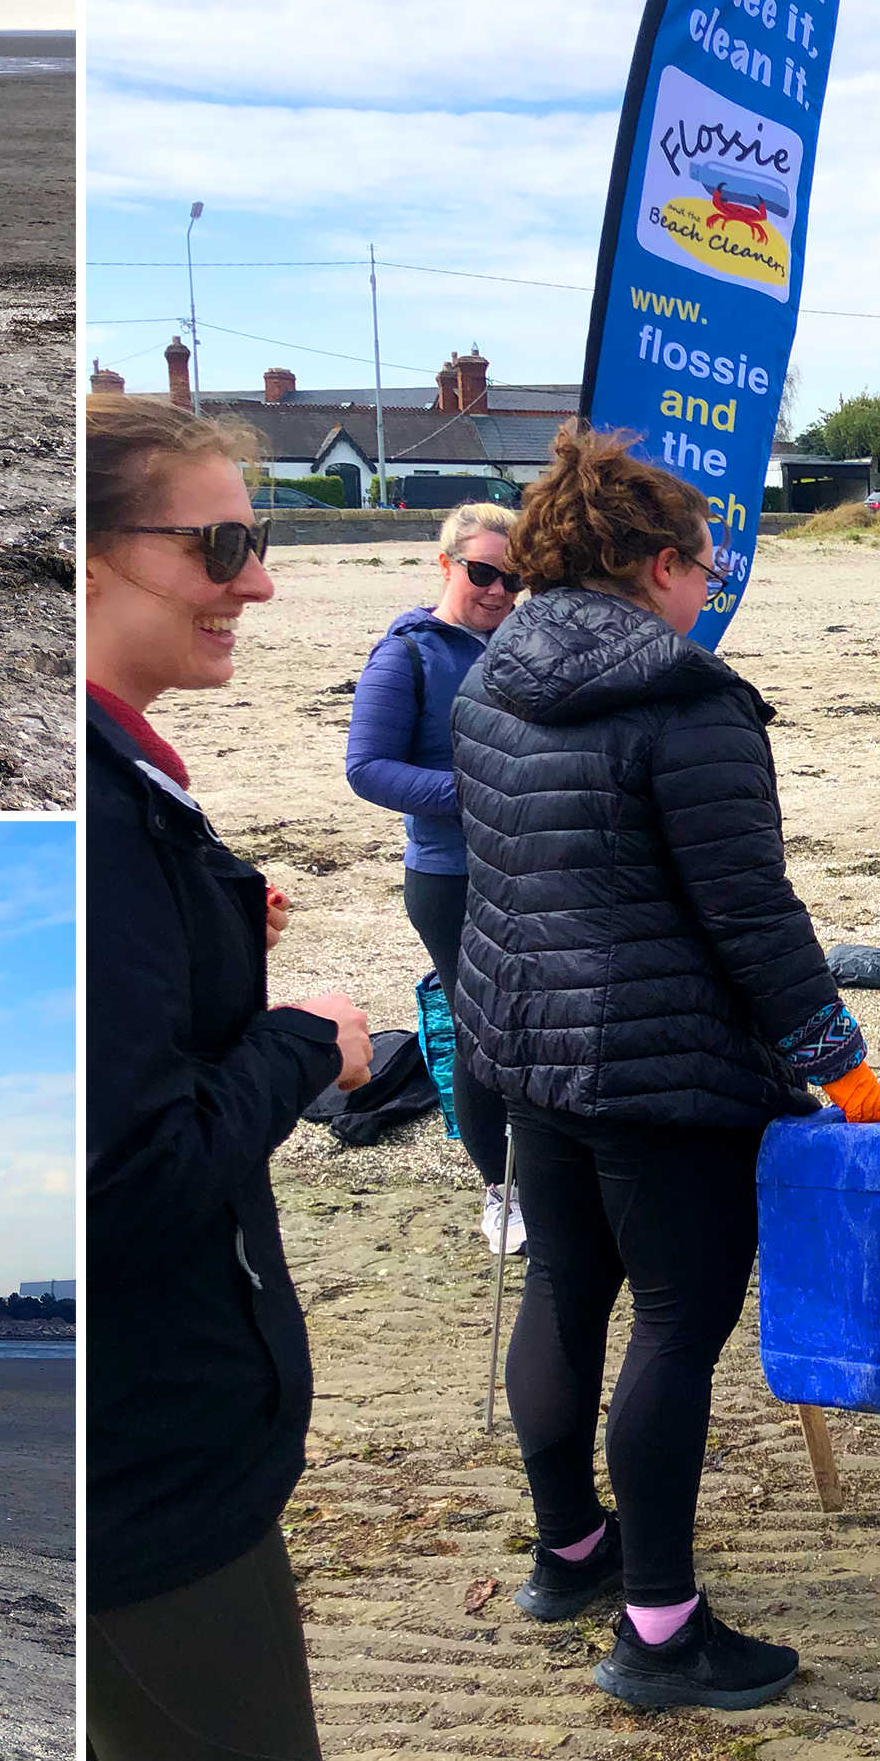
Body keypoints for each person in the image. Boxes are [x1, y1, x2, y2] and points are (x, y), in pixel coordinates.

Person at [456, 425, 880, 1713]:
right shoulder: (691, 701)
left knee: (563, 1286)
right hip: (663, 1067)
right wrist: (838, 1061)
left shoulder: (489, 677)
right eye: (706, 561)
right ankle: (658, 1626)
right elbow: (750, 913)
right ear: (656, 564)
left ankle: (568, 1550)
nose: (711, 582)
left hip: (529, 1047)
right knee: (675, 1325)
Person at [86, 396, 372, 1761]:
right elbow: (129, 1173)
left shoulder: (115, 792)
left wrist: (212, 929)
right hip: (154, 1482)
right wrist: (298, 1040)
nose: (256, 581)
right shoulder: (95, 817)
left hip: (119, 1462)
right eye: (219, 546)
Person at [344, 498, 526, 1249]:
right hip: (451, 878)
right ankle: (501, 1192)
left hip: (535, 869)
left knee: (542, 1028)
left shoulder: (529, 643)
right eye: (483, 573)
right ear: (446, 564)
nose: (498, 591)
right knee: (483, 1036)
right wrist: (471, 792)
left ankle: (549, 1174)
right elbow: (367, 768)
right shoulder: (406, 655)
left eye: (515, 579)